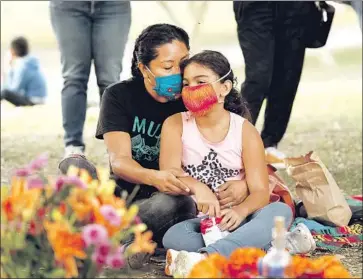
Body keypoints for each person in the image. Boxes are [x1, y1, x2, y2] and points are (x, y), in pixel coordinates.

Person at [59, 24, 250, 270]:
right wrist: (155, 176)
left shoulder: (192, 97)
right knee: (74, 166)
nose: (179, 74)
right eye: (168, 67)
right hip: (119, 196)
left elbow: (236, 141)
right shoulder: (118, 95)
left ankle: (105, 241)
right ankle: (119, 240)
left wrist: (243, 184)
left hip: (167, 201)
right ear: (144, 69)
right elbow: (119, 161)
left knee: (177, 203)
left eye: (183, 64)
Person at [160, 51, 314, 277]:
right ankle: (271, 246)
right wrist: (198, 187)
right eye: (186, 83)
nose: (191, 88)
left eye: (200, 82)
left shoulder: (245, 131)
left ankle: (205, 258)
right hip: (200, 223)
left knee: (279, 211)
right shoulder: (175, 124)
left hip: (242, 219)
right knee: (172, 237)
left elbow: (260, 191)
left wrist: (241, 211)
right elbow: (170, 172)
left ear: (224, 87)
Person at [233, 2, 312, 168]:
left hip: (296, 7)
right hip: (255, 6)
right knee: (258, 78)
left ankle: (269, 144)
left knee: (287, 79)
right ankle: (234, 145)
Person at [50, 1, 131, 157]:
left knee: (110, 80)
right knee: (74, 77)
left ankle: (117, 150)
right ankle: (73, 148)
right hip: (68, 7)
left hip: (113, 6)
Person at [1, 37, 47, 106]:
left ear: (12, 51)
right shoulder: (30, 62)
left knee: (5, 92)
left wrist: (9, 69)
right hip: (39, 99)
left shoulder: (23, 66)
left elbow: (14, 89)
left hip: (33, 100)